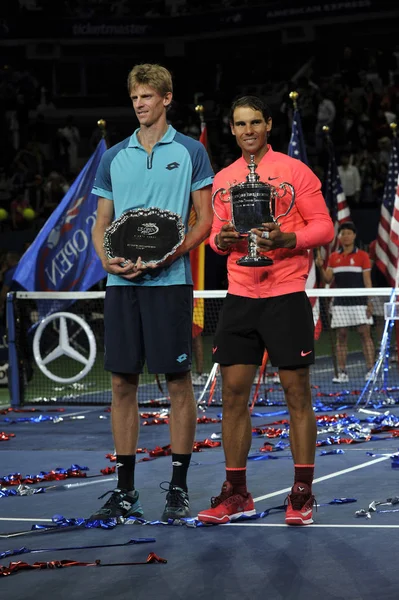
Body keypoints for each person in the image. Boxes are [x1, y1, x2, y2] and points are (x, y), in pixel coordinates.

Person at [197, 96, 334, 527]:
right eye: (240, 124)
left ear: (269, 124)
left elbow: (324, 226)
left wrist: (285, 240)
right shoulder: (224, 179)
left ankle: (302, 493)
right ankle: (237, 494)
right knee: (233, 396)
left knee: (297, 394)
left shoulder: (296, 172)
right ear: (232, 129)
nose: (248, 130)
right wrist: (223, 241)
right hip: (240, 296)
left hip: (286, 293)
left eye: (255, 121)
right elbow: (214, 236)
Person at [90, 63, 214, 522]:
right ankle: (125, 491)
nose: (139, 104)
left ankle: (177, 489)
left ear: (166, 98)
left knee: (178, 383)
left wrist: (172, 252)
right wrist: (106, 259)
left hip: (170, 282)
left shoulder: (190, 152)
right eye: (134, 97)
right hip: (122, 284)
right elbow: (102, 222)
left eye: (146, 95)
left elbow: (205, 219)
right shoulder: (114, 157)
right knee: (122, 383)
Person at [316, 222, 375, 383]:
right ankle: (342, 372)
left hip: (359, 302)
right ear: (339, 237)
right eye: (343, 234)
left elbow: (367, 281)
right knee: (341, 337)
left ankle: (371, 370)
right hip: (340, 303)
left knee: (365, 334)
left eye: (349, 233)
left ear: (354, 236)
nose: (346, 236)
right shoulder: (334, 257)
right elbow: (328, 279)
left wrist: (370, 302)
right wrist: (321, 267)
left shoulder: (362, 256)